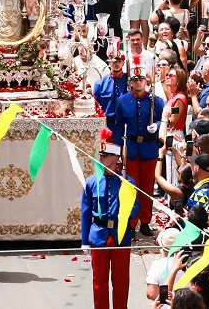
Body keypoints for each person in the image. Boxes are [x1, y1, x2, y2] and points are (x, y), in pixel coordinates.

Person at [81, 128, 140, 309]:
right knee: (99, 282)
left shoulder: (128, 182)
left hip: (120, 235)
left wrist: (127, 216)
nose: (101, 160)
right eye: (101, 156)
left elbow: (136, 208)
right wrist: (84, 241)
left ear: (114, 160)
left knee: (121, 281)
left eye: (104, 157)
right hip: (98, 235)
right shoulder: (91, 182)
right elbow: (85, 213)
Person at [116, 67, 163, 236]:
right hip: (131, 147)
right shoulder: (123, 101)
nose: (138, 83)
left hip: (148, 148)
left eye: (141, 79)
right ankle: (131, 221)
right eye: (135, 80)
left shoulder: (155, 100)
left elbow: (162, 121)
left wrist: (156, 126)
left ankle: (145, 220)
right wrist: (119, 149)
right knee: (130, 186)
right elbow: (119, 126)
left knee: (147, 187)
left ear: (146, 81)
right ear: (131, 82)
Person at [92, 46, 128, 144]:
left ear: (123, 63)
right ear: (109, 62)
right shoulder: (100, 84)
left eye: (119, 61)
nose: (116, 64)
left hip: (125, 125)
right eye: (113, 61)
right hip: (107, 125)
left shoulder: (129, 82)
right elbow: (96, 107)